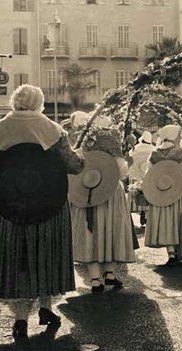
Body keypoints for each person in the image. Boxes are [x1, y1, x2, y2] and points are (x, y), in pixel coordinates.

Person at [0, 85, 85, 340]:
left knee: (16, 260)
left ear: (14, 102)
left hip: (6, 208)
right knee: (44, 255)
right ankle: (45, 308)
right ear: (40, 104)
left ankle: (21, 319)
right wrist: (82, 155)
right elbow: (74, 166)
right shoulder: (54, 130)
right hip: (48, 207)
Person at [72, 119, 136, 294]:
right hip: (110, 190)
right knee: (112, 230)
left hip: (87, 191)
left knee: (91, 233)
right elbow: (121, 170)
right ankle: (109, 273)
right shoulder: (111, 140)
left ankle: (94, 279)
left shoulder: (83, 140)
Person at [144, 125, 182, 266]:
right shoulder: (180, 152)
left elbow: (148, 176)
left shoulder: (154, 154)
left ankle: (171, 253)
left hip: (162, 193)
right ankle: (180, 250)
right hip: (180, 192)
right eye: (179, 135)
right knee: (179, 219)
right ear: (173, 135)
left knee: (167, 220)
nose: (180, 137)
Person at [128, 131, 155, 227]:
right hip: (149, 175)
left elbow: (129, 160)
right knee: (148, 195)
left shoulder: (135, 149)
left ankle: (140, 212)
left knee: (137, 193)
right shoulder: (153, 149)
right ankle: (146, 214)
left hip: (136, 174)